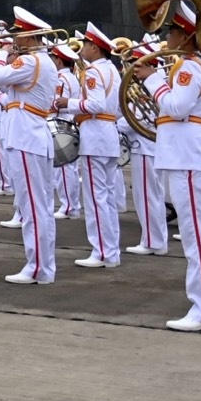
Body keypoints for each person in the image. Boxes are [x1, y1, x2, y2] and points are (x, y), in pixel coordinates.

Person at [145, 0, 201, 332]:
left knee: (198, 238)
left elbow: (177, 107)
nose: (166, 37)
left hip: (192, 158)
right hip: (196, 156)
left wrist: (153, 81)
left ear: (184, 35)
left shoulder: (189, 66)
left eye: (171, 30)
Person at [0, 9, 62, 286]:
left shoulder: (31, 61)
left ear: (29, 35)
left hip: (27, 137)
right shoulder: (39, 61)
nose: (14, 39)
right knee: (37, 204)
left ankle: (38, 267)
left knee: (33, 206)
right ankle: (41, 265)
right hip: (29, 134)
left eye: (18, 34)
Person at [71, 25, 126, 268]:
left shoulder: (93, 72)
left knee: (96, 198)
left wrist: (68, 103)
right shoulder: (113, 70)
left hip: (95, 135)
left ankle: (102, 251)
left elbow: (95, 104)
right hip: (108, 134)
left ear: (95, 47)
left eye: (85, 45)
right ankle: (110, 249)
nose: (82, 49)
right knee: (106, 196)